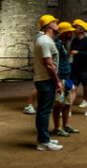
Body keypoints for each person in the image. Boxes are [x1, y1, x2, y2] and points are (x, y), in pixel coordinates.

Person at [33, 15, 64, 151]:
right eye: (55, 22)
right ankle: (44, 142)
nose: (57, 24)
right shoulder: (45, 41)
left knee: (42, 111)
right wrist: (57, 81)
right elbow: (49, 64)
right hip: (46, 80)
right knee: (44, 112)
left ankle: (43, 138)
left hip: (43, 79)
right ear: (49, 25)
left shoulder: (43, 39)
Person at [52, 22, 79, 138]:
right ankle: (57, 128)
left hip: (67, 78)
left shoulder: (63, 45)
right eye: (70, 32)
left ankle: (66, 126)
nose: (72, 34)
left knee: (67, 103)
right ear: (64, 33)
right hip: (60, 78)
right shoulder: (57, 45)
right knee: (58, 104)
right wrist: (57, 79)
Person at [70, 18, 87, 116]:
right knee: (73, 89)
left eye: (75, 27)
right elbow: (71, 52)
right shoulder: (74, 41)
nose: (74, 29)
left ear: (81, 29)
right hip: (75, 68)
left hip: (85, 69)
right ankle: (69, 109)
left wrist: (78, 52)